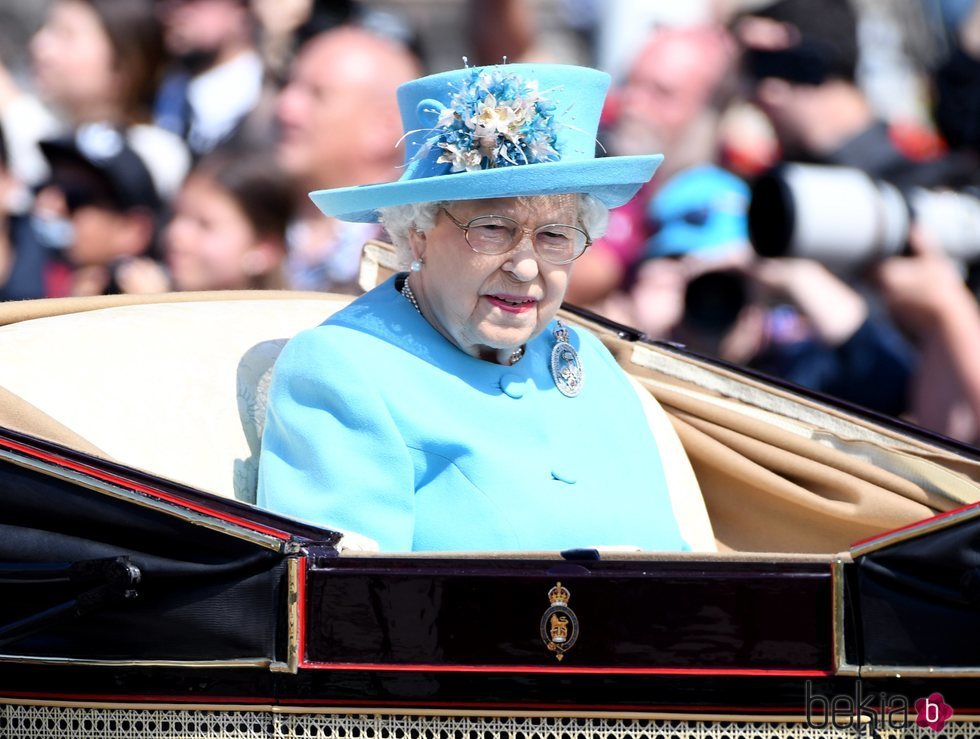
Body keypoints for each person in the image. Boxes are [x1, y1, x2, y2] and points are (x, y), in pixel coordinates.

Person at [258, 63, 714, 553]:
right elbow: (348, 606)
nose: (525, 268)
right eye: (493, 230)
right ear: (418, 233)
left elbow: (675, 567)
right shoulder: (343, 371)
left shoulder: (592, 362)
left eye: (554, 236)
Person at [273, 25, 421, 294]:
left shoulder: (420, 250)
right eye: (288, 86)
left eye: (317, 94)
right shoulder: (251, 215)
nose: (284, 107)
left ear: (384, 126)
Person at [34, 123, 189, 296]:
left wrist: (155, 312)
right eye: (50, 185)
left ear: (134, 229)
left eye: (75, 196)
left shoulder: (170, 307)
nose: (52, 203)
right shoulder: (29, 271)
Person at [162, 149, 292, 291]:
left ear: (265, 247)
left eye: (205, 224)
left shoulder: (301, 312)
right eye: (174, 215)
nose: (175, 233)